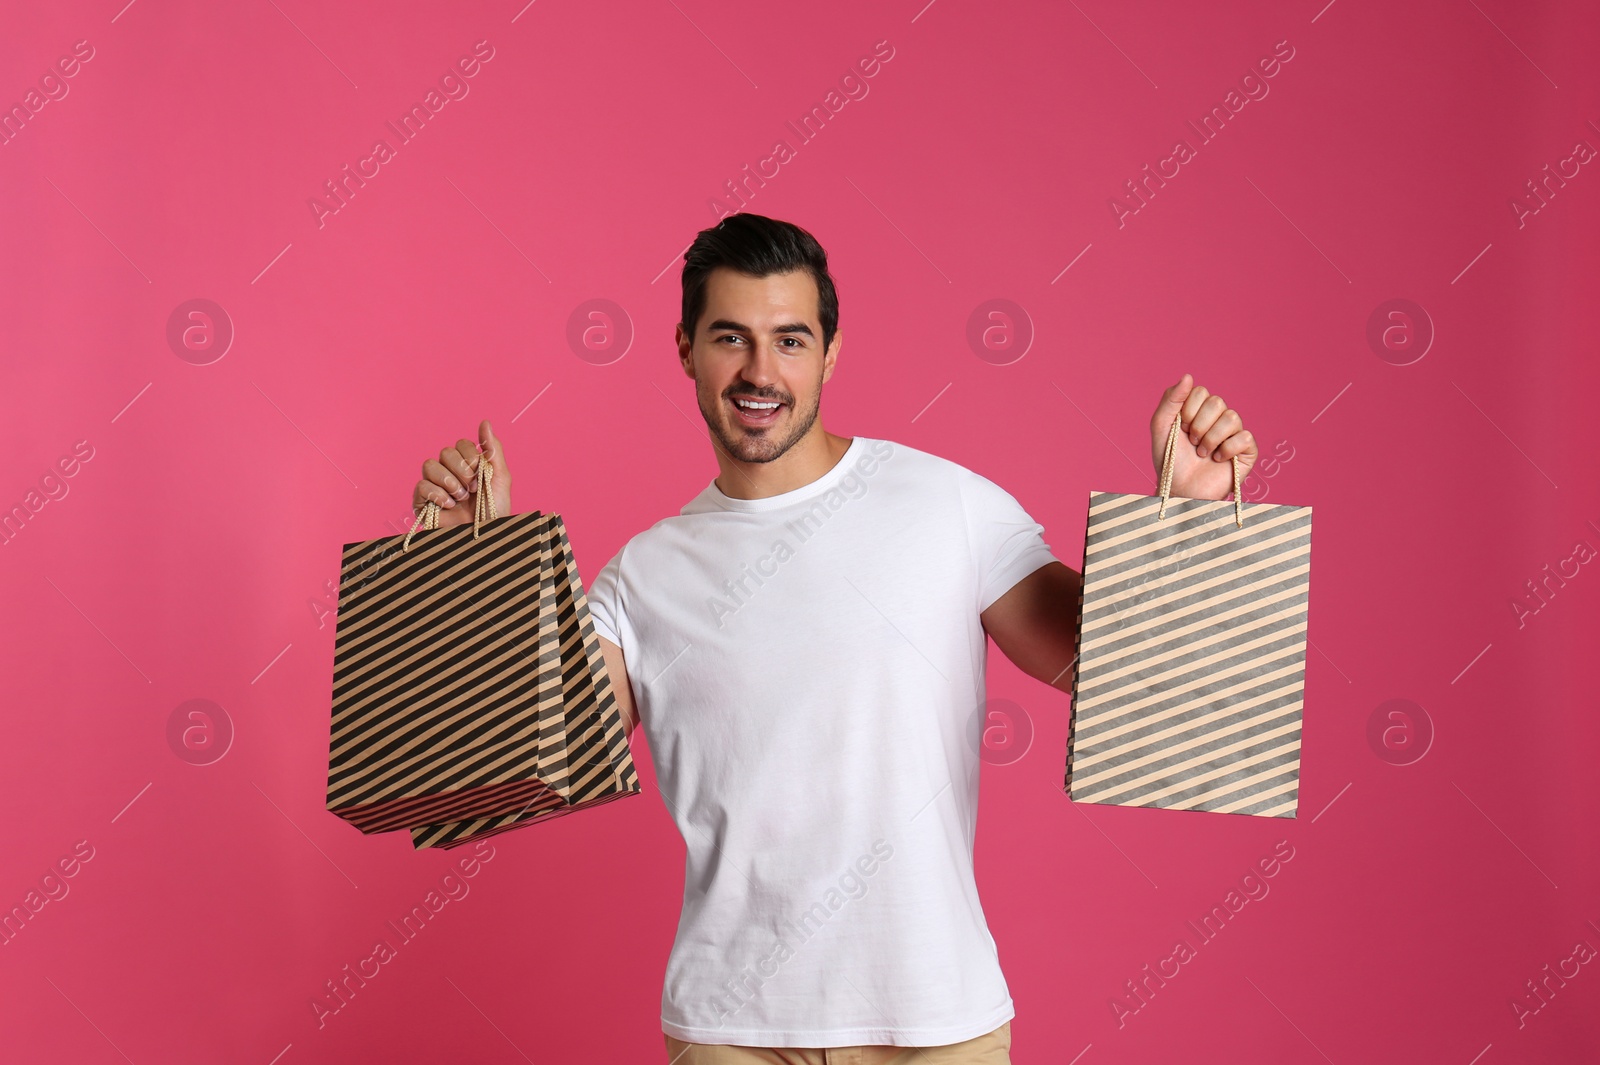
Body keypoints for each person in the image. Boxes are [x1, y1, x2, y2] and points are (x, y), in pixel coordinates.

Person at [411, 213, 1259, 1063]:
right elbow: (517, 769)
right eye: (730, 338)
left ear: (831, 351)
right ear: (684, 348)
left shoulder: (946, 505)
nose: (760, 371)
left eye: (790, 339)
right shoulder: (645, 574)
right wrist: (466, 573)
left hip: (936, 1024)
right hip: (728, 1033)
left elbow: (1107, 670)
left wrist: (1185, 519)